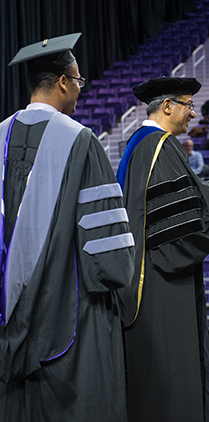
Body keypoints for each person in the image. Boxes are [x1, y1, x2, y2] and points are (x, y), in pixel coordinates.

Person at [0, 33, 135, 421]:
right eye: (78, 81)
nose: (79, 90)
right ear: (62, 82)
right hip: (69, 318)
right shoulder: (81, 142)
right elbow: (109, 257)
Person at [116, 77, 209, 422]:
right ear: (167, 106)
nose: (193, 113)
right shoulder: (159, 145)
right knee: (170, 381)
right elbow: (177, 222)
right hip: (159, 280)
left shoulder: (136, 144)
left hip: (139, 273)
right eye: (188, 105)